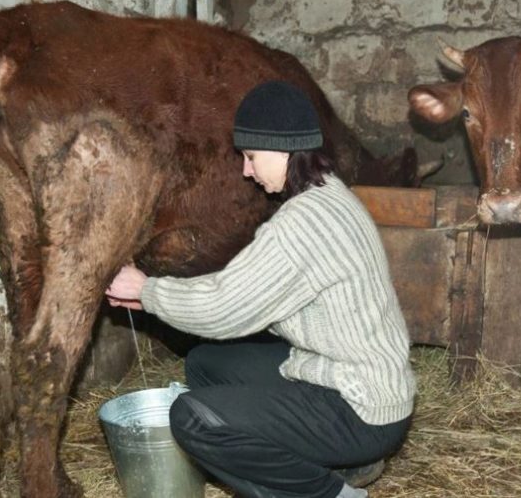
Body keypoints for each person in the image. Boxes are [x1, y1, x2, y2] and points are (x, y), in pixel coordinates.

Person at [106, 80, 416, 498]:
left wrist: (147, 291)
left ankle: (332, 494)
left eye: (251, 156)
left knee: (192, 418)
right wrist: (156, 294)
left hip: (362, 406)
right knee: (206, 366)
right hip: (352, 377)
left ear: (283, 149)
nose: (246, 170)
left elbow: (223, 307)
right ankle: (347, 460)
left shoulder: (304, 223)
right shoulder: (329, 194)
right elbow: (242, 289)